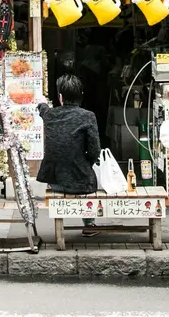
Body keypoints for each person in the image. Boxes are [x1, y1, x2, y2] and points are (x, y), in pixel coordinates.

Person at [36, 74, 102, 236]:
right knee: (91, 181)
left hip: (54, 180)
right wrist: (87, 163)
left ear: (60, 97)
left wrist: (41, 102)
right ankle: (89, 224)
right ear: (80, 95)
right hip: (81, 181)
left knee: (77, 179)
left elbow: (42, 109)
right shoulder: (88, 116)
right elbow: (95, 150)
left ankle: (60, 227)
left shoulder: (50, 115)